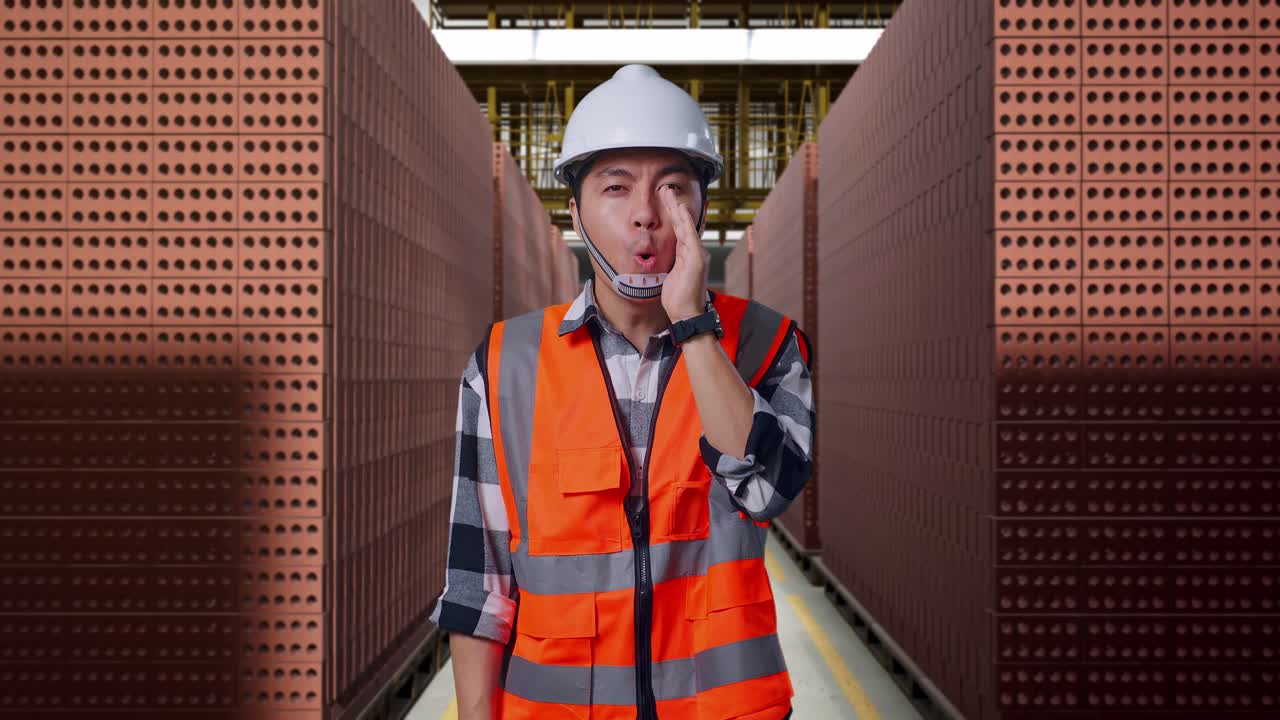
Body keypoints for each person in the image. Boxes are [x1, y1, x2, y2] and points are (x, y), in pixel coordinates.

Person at [428, 64, 814, 720]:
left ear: (700, 207)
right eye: (616, 187)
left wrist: (694, 327)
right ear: (575, 209)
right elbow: (479, 583)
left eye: (673, 189)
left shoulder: (766, 345)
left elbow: (768, 489)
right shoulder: (504, 365)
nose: (645, 216)